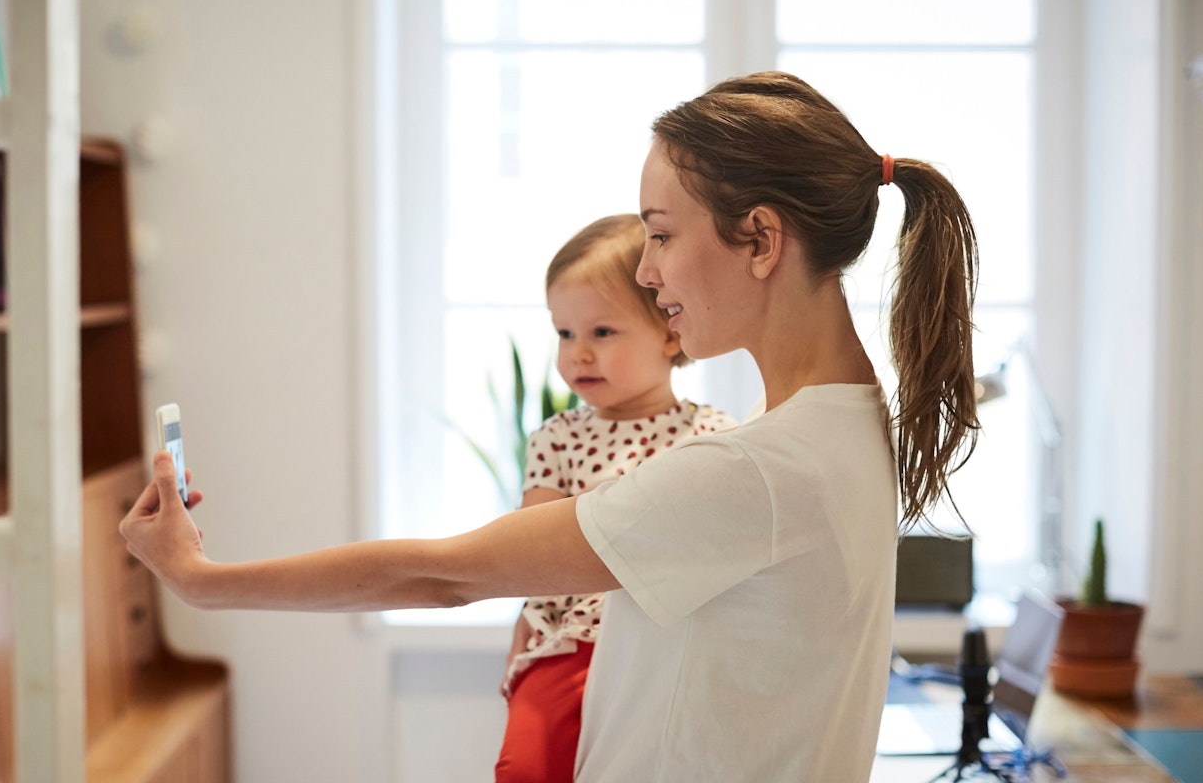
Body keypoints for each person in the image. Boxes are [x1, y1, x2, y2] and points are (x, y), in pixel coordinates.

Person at [120, 70, 980, 781]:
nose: (647, 274)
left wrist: (202, 578)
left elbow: (444, 577)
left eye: (661, 236)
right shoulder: (847, 426)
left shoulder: (756, 468)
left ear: (759, 238)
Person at [495, 214, 737, 783]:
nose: (577, 353)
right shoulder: (557, 438)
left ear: (670, 333)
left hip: (671, 650)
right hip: (572, 641)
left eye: (601, 332)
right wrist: (524, 616)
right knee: (527, 768)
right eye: (564, 333)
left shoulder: (712, 436)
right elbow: (531, 549)